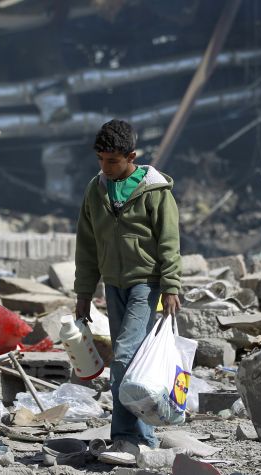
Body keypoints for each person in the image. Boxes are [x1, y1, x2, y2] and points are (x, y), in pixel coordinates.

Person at [74, 119, 182, 451]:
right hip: (113, 285)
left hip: (146, 286)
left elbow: (169, 240)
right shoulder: (97, 189)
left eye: (112, 161)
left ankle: (126, 436)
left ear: (131, 156)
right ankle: (140, 439)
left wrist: (171, 286)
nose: (105, 167)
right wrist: (84, 294)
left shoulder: (155, 191)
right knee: (132, 362)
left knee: (123, 357)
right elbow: (87, 244)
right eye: (100, 160)